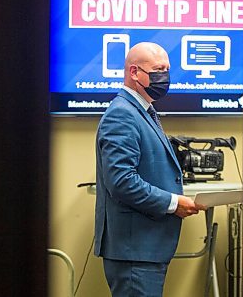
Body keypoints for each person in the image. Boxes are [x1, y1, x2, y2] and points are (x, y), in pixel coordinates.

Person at [94, 42, 206, 296]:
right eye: (158, 70)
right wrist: (173, 202)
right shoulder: (121, 115)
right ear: (134, 72)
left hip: (144, 249)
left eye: (167, 69)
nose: (164, 77)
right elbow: (122, 181)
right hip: (135, 250)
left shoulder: (142, 111)